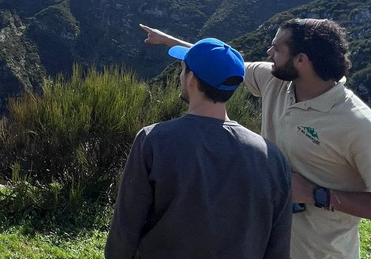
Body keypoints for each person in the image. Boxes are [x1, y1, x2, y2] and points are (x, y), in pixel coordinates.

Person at [140, 20, 371, 259]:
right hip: (261, 244)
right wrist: (168, 40)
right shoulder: (273, 80)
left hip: (319, 253)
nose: (269, 52)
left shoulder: (357, 124)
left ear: (301, 60)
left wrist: (317, 194)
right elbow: (218, 64)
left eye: (277, 49)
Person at [105, 37, 292, 259]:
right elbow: (278, 246)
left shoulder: (153, 140)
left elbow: (126, 228)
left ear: (191, 78)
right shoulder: (272, 157)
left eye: (182, 69)